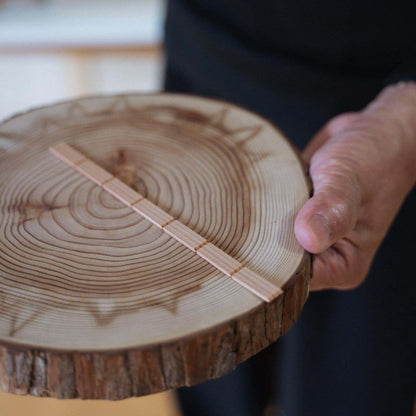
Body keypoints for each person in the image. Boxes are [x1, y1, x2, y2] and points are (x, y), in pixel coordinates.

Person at [162, 0, 416, 415]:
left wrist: (408, 119)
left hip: (372, 106)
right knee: (208, 374)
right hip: (202, 59)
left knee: (349, 384)